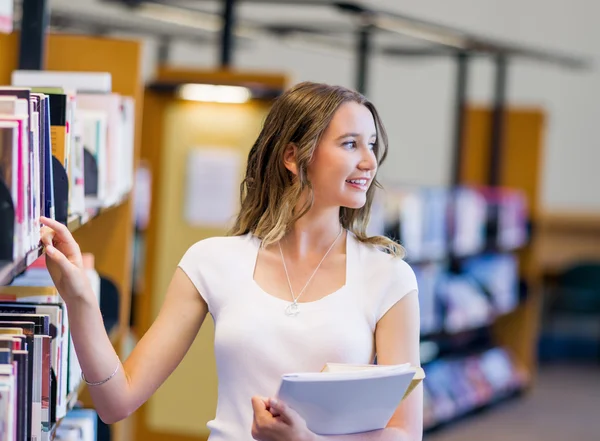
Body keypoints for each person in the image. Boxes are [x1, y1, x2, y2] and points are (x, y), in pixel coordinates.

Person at [39, 81, 422, 441]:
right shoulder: (212, 262)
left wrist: (307, 439)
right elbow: (116, 402)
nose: (369, 161)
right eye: (350, 144)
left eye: (371, 144)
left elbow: (407, 433)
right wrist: (80, 299)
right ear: (293, 155)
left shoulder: (389, 276)